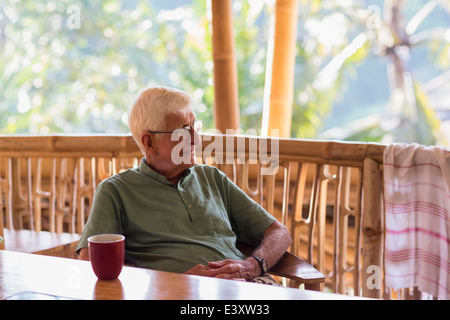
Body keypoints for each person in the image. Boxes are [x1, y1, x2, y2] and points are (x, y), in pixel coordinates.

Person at [76, 86, 291, 283]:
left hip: (250, 288)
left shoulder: (211, 177)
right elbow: (90, 266)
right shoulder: (116, 191)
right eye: (183, 130)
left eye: (194, 126)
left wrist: (251, 266)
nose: (196, 139)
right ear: (149, 142)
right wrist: (176, 282)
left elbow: (279, 233)